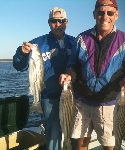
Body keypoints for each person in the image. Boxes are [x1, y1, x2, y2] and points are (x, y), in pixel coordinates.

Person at [59, 0, 125, 150]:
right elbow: (73, 64)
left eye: (110, 13)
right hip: (82, 101)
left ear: (116, 15)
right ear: (94, 14)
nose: (105, 16)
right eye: (100, 12)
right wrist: (69, 74)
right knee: (81, 143)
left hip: (108, 104)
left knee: (109, 145)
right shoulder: (82, 38)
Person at [13, 7, 75, 150]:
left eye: (61, 21)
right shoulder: (38, 43)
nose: (58, 24)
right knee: (53, 135)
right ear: (49, 23)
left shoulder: (75, 42)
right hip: (49, 96)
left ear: (67, 22)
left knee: (73, 131)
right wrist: (22, 53)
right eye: (54, 21)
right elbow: (18, 66)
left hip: (72, 96)